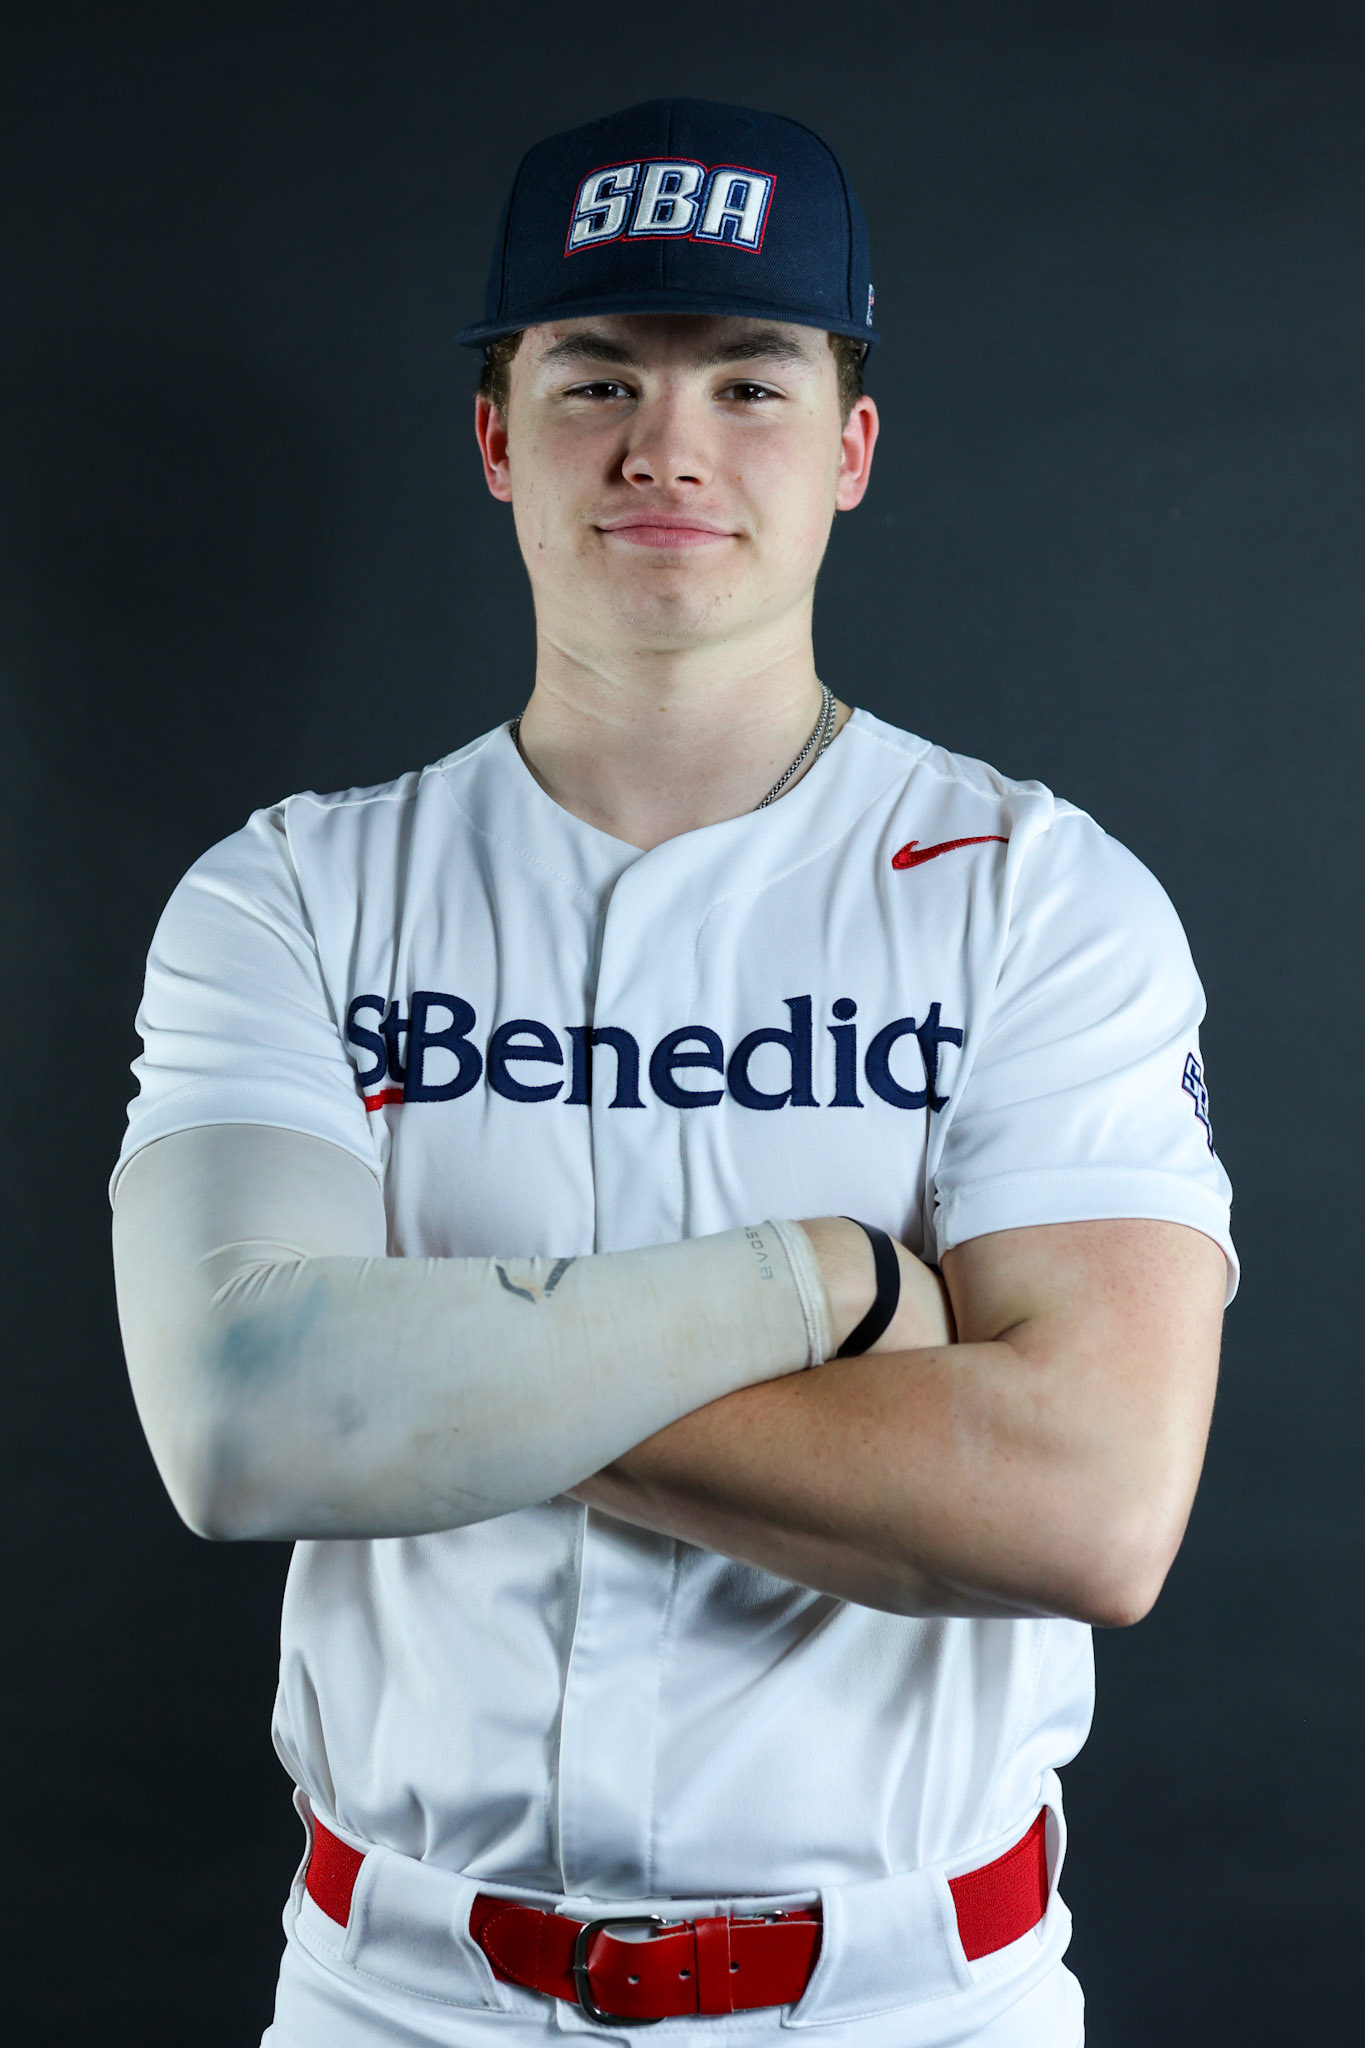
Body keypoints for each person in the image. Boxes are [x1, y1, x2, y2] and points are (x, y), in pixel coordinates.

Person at [111, 98, 1235, 2048]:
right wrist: (829, 1286)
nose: (667, 445)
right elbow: (238, 1428)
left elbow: (1087, 1506)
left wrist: (411, 1379)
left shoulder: (1037, 898)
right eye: (594, 379)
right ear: (494, 437)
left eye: (748, 379)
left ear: (848, 450)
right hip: (402, 1995)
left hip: (907, 2002)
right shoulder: (291, 892)